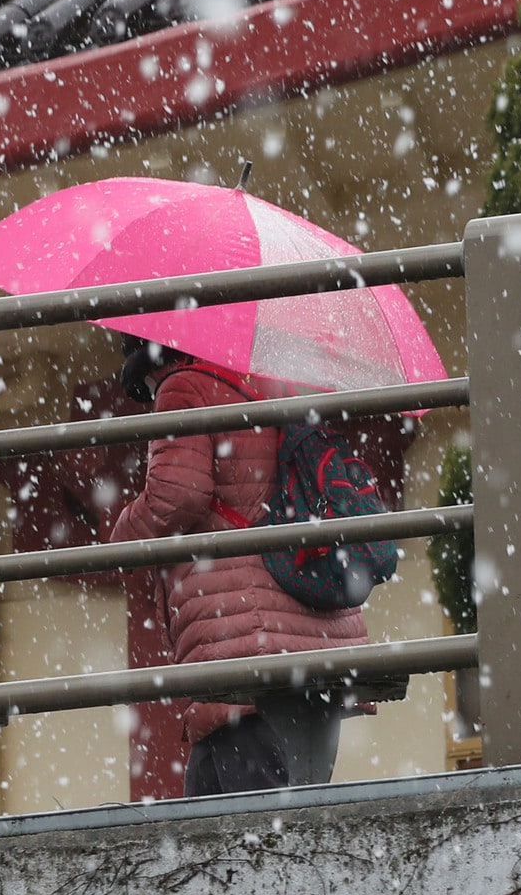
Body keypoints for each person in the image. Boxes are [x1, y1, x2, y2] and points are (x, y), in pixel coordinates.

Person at [108, 337, 370, 797]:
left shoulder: (184, 386)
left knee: (261, 830)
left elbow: (176, 495)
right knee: (227, 814)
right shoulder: (276, 382)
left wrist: (121, 538)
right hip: (313, 630)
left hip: (247, 638)